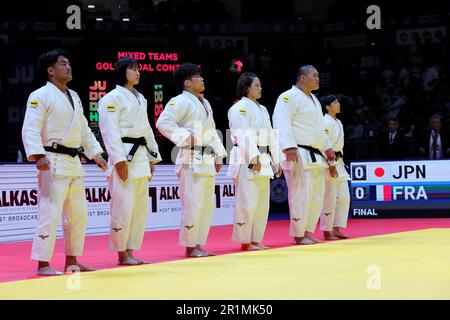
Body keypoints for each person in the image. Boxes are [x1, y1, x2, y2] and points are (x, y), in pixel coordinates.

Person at [21, 48, 107, 276]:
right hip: (52, 160)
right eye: (62, 64)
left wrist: (96, 154)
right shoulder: (40, 95)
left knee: (78, 214)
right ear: (50, 70)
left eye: (69, 64)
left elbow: (84, 130)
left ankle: (72, 260)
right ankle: (43, 263)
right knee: (49, 213)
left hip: (73, 161)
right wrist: (38, 155)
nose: (68, 67)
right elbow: (30, 127)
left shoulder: (75, 96)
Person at [156, 63, 227, 257]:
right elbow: (163, 123)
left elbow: (211, 131)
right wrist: (186, 137)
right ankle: (190, 245)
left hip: (206, 158)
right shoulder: (180, 101)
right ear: (187, 83)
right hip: (190, 158)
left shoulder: (204, 103)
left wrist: (219, 154)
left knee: (205, 205)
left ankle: (198, 244)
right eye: (197, 77)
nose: (202, 79)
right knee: (192, 204)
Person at [98, 57, 161, 265]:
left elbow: (147, 129)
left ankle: (131, 251)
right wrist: (118, 159)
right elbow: (109, 132)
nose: (138, 72)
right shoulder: (111, 98)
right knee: (122, 206)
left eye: (138, 69)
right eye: (133, 69)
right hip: (124, 154)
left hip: (141, 156)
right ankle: (121, 253)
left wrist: (152, 156)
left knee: (139, 208)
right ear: (122, 72)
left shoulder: (141, 98)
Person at [272, 65, 335, 245]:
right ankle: (299, 234)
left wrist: (327, 146)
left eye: (318, 75)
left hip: (315, 154)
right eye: (314, 75)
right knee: (300, 195)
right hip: (298, 152)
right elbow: (281, 122)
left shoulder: (314, 99)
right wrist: (288, 146)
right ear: (302, 78)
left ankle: (307, 231)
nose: (318, 78)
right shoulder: (288, 97)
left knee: (316, 196)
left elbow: (318, 129)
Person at [227, 72, 281, 251]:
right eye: (256, 85)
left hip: (263, 157)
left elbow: (271, 135)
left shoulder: (263, 109)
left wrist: (277, 159)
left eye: (260, 85)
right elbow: (241, 134)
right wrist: (253, 157)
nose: (260, 88)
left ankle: (255, 239)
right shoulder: (239, 108)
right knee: (247, 201)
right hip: (246, 158)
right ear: (246, 87)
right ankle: (245, 241)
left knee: (261, 203)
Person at [318, 94, 350, 240]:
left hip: (340, 161)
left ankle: (337, 227)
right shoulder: (325, 121)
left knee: (343, 197)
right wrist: (331, 165)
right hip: (329, 162)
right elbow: (324, 145)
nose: (338, 104)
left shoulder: (338, 122)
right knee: (330, 197)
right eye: (335, 102)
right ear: (327, 107)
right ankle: (327, 229)